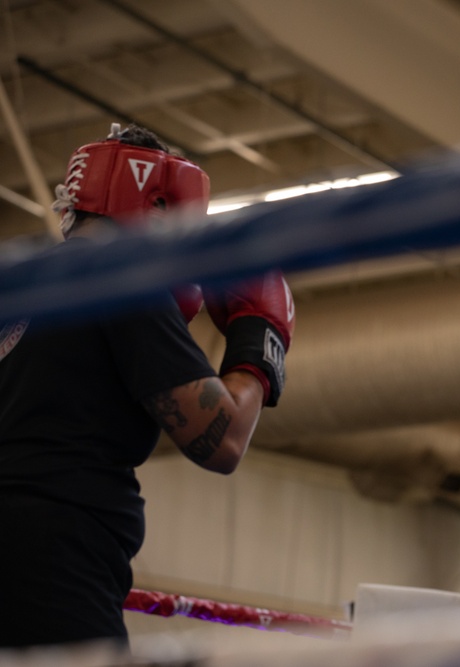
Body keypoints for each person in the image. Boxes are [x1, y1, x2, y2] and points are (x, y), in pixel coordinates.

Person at [0, 123, 295, 648]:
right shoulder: (121, 277)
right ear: (158, 205)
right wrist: (260, 337)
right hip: (55, 557)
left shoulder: (21, 284)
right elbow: (221, 439)